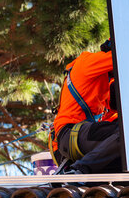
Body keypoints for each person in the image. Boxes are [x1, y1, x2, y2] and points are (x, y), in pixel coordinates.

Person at [50, 39, 121, 174]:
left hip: (81, 138)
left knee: (125, 155)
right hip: (69, 134)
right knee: (125, 136)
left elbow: (113, 107)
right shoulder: (88, 62)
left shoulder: (102, 84)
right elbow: (123, 58)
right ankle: (80, 171)